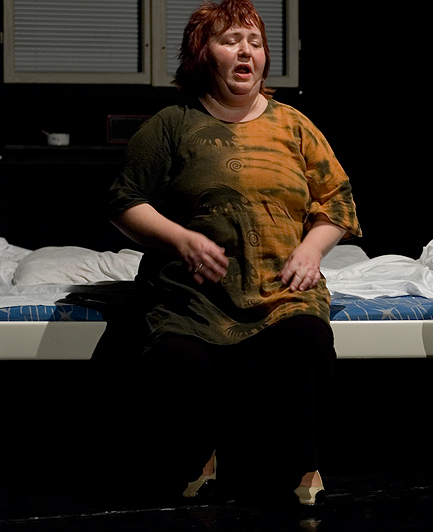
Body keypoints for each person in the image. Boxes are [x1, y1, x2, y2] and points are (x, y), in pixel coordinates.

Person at [108, 0, 360, 506]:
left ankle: (303, 466)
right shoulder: (172, 124)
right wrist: (180, 239)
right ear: (203, 54)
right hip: (193, 296)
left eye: (255, 43)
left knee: (307, 340)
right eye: (231, 41)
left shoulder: (294, 125)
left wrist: (311, 250)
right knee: (178, 358)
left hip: (280, 291)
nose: (246, 51)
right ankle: (200, 458)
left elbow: (338, 202)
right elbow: (123, 202)